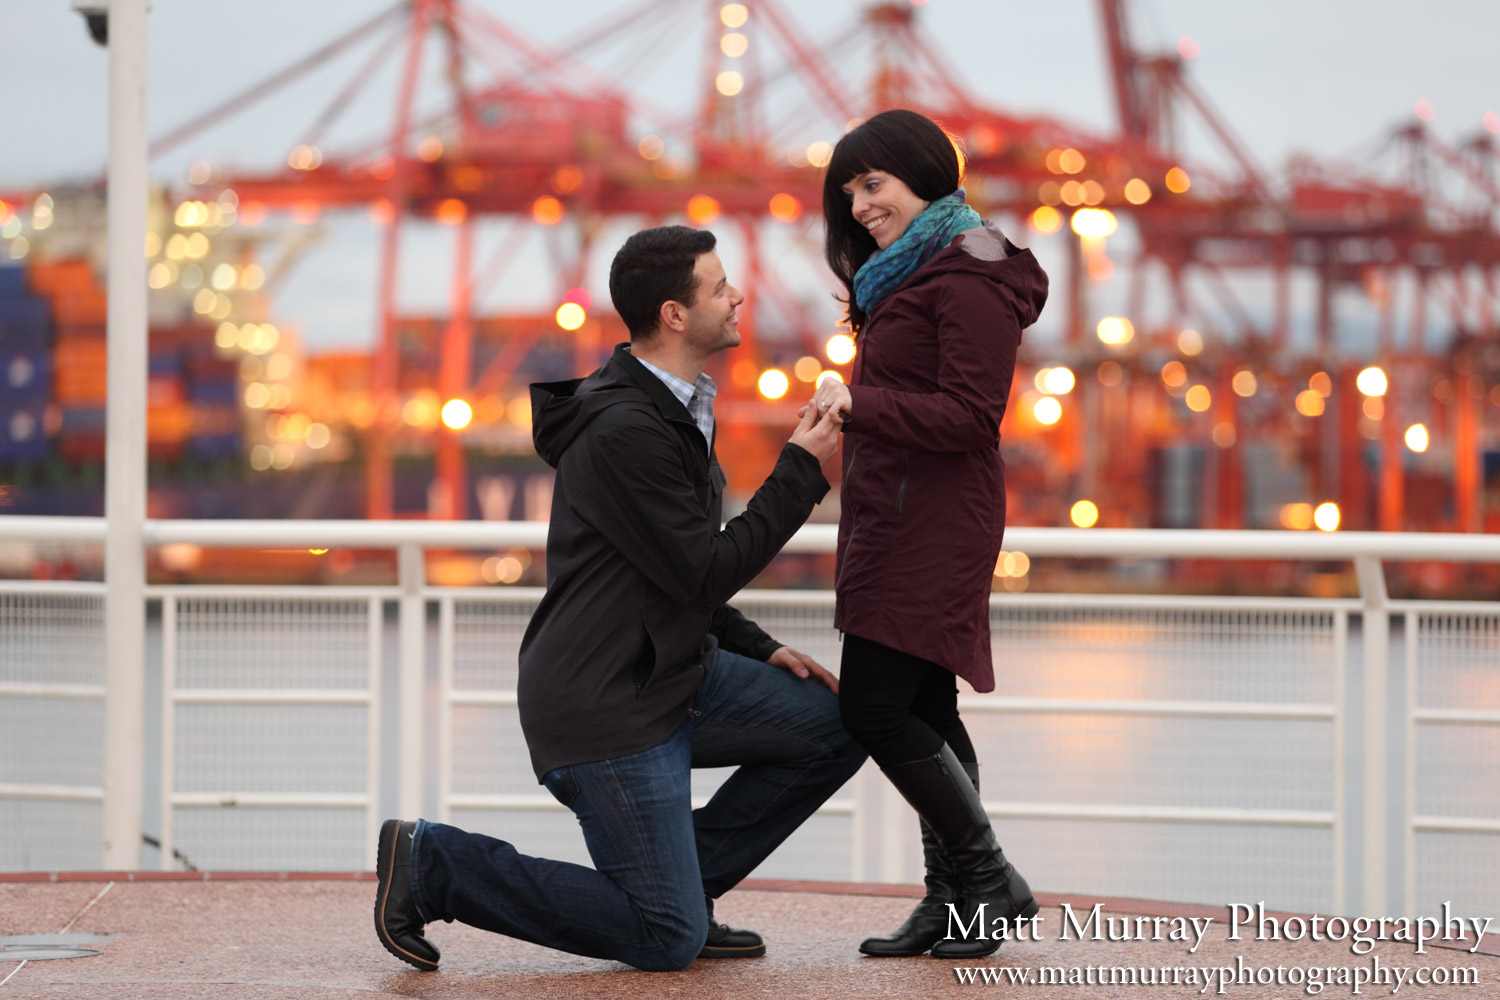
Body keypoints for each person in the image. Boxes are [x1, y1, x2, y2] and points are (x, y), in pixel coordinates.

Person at [374, 225, 865, 973]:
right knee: (663, 939)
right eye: (719, 286)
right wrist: (801, 470)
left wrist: (758, 646)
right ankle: (435, 863)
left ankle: (684, 893)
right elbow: (702, 571)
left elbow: (668, 574)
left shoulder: (671, 406)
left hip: (671, 671)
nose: (738, 296)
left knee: (840, 722)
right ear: (674, 314)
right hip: (607, 701)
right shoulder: (626, 427)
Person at [811, 108, 1049, 959]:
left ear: (923, 175)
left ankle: (990, 880)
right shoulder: (906, 273)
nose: (861, 205)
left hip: (936, 524)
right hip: (893, 514)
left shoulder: (971, 274)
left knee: (875, 709)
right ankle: (952, 901)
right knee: (924, 705)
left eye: (874, 184)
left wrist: (856, 400)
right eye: (850, 192)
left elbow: (972, 416)